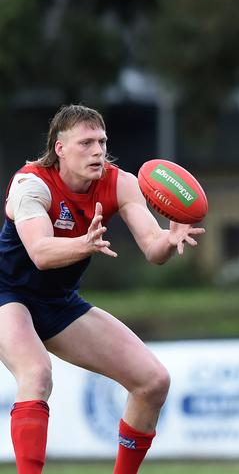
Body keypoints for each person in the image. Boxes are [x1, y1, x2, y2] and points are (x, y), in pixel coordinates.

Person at [0, 104, 205, 474]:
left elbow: (153, 250)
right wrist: (84, 243)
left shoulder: (120, 182)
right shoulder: (31, 184)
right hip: (7, 295)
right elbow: (41, 253)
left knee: (153, 381)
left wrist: (170, 236)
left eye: (102, 141)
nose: (97, 150)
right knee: (36, 373)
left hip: (58, 304)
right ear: (59, 148)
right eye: (86, 143)